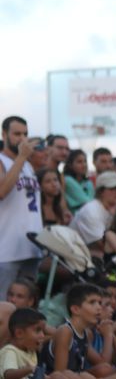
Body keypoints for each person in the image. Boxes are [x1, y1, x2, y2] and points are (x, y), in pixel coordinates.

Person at [0, 116, 43, 300]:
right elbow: (2, 191)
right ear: (4, 135)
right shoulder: (4, 161)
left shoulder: (27, 165)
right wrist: (22, 157)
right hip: (7, 249)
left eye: (25, 134)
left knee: (26, 309)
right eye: (17, 134)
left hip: (31, 246)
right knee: (4, 307)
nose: (22, 139)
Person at [70, 171, 116, 254]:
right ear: (101, 192)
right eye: (112, 189)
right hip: (73, 259)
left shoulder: (112, 209)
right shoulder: (91, 211)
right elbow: (104, 246)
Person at [63, 149, 94, 213]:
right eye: (79, 162)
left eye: (85, 161)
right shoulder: (67, 180)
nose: (84, 165)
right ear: (70, 165)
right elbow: (87, 202)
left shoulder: (88, 183)